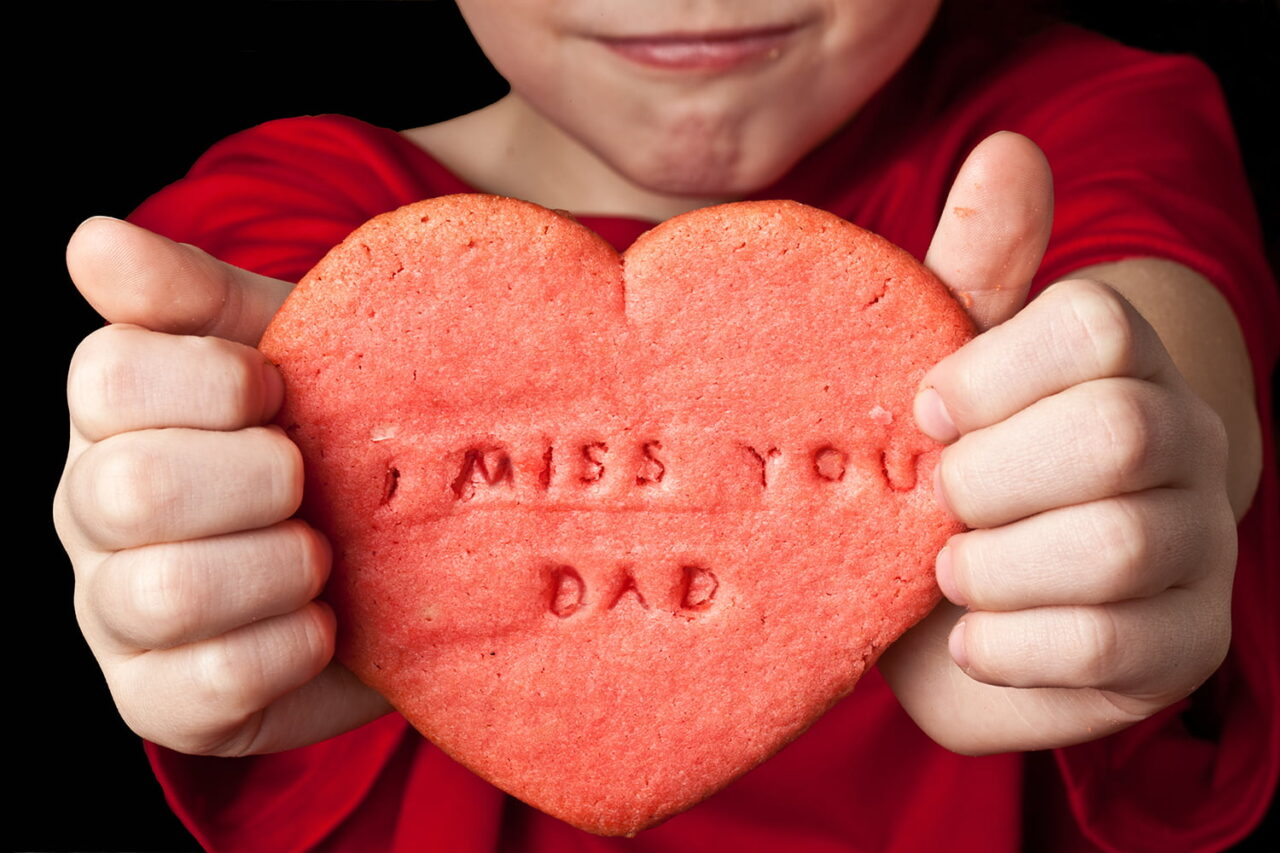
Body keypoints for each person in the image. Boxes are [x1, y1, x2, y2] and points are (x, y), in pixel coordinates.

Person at [54, 1, 1277, 850]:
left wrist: (1131, 471)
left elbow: (1150, 332)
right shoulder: (286, 225)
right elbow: (191, 434)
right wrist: (167, 535)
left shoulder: (1068, 128)